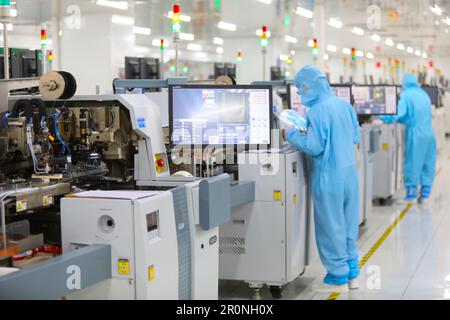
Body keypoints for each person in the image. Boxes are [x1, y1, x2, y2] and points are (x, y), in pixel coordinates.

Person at [285, 65, 361, 293]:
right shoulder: (343, 105)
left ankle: (337, 278)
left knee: (331, 227)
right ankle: (352, 273)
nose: (299, 93)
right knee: (348, 225)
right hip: (349, 174)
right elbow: (355, 135)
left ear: (308, 87)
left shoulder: (317, 111)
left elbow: (315, 146)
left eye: (300, 89)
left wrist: (291, 134)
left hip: (330, 177)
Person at [380, 74, 437, 204]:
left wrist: (384, 118)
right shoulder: (424, 94)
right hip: (429, 133)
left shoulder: (406, 95)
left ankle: (411, 194)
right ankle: (425, 194)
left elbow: (400, 113)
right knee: (428, 163)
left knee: (413, 162)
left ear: (404, 84)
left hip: (416, 134)